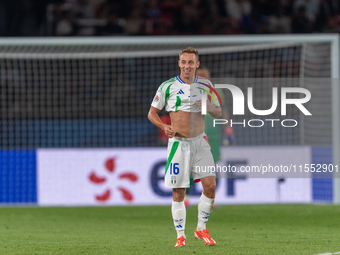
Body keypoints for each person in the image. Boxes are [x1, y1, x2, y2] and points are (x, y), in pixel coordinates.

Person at [148, 47, 222, 247]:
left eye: (191, 62)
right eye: (184, 62)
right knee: (178, 191)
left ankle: (201, 229)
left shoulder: (206, 85)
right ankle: (180, 235)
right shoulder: (167, 86)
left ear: (197, 64)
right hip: (178, 144)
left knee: (210, 186)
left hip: (200, 141)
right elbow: (152, 113)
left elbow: (219, 111)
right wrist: (164, 126)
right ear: (179, 63)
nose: (187, 66)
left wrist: (207, 106)